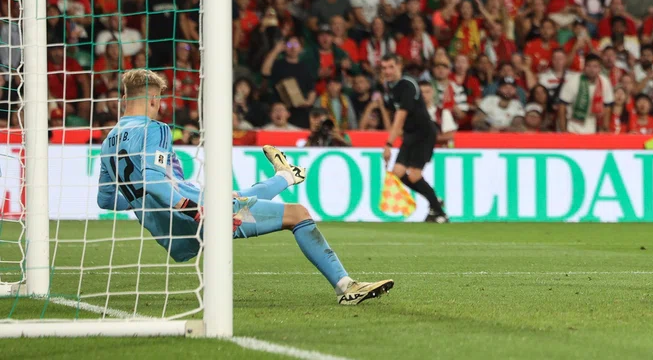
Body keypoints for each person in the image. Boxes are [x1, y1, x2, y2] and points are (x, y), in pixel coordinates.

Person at [97, 69, 392, 305]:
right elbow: (155, 181)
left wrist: (146, 205)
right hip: (195, 217)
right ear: (152, 100)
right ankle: (346, 287)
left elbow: (107, 200)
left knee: (236, 197)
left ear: (126, 97)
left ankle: (285, 176)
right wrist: (196, 210)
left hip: (170, 232)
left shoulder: (109, 139)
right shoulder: (155, 129)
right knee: (298, 213)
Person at [380, 54, 449, 222]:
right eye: (384, 68)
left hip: (424, 133)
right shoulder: (392, 87)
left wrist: (389, 143)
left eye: (391, 67)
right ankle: (434, 200)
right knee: (398, 172)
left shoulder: (408, 85)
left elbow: (400, 117)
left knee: (414, 175)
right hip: (410, 134)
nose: (387, 71)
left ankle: (440, 213)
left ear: (399, 66)